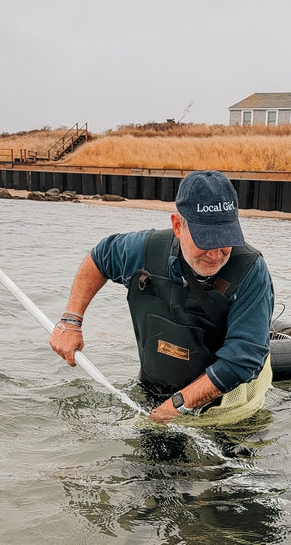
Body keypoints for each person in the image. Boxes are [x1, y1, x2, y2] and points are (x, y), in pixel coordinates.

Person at [50, 170, 274, 423]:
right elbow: (99, 258)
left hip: (227, 403)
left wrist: (175, 406)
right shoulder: (144, 249)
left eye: (225, 240)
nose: (215, 254)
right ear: (178, 226)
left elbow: (242, 359)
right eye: (206, 240)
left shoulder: (251, 270)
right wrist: (71, 321)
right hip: (153, 393)